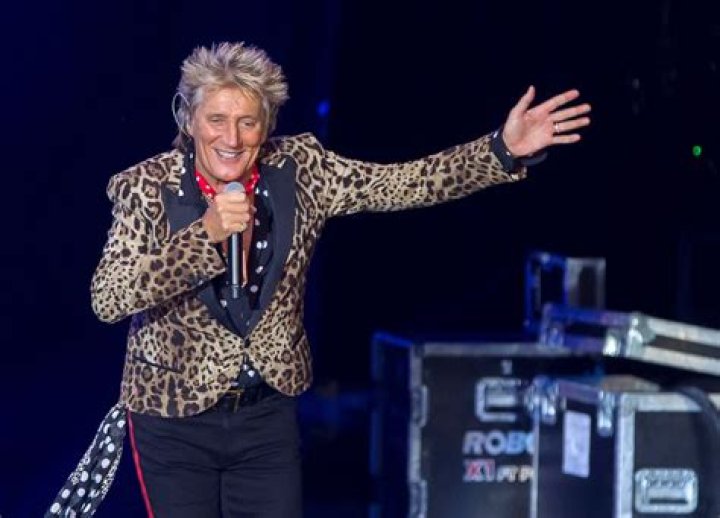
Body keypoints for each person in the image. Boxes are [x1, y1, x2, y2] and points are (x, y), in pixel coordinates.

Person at [47, 41, 590, 517]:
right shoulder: (145, 187)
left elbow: (404, 184)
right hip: (173, 420)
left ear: (267, 125)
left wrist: (499, 150)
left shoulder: (302, 170)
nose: (231, 137)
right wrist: (204, 236)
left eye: (247, 122)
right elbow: (109, 297)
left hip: (265, 418)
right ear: (189, 120)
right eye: (216, 119)